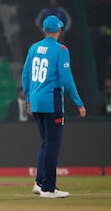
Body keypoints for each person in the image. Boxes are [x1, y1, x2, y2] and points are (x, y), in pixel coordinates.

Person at [21, 15, 86, 198]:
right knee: (53, 145)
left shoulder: (34, 48)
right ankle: (49, 189)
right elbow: (67, 79)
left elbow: (25, 75)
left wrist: (28, 99)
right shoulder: (61, 50)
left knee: (45, 144)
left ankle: (40, 182)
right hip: (52, 102)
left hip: (36, 102)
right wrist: (79, 102)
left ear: (43, 30)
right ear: (59, 30)